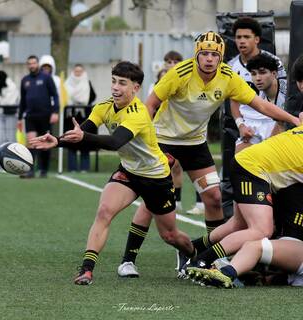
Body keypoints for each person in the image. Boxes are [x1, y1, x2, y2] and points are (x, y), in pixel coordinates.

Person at [118, 31, 299, 278]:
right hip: (164, 140)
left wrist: (293, 121)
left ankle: (210, 255)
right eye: (204, 53)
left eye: (214, 54)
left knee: (213, 198)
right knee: (155, 201)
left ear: (221, 57)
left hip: (195, 143)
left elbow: (261, 105)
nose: (209, 59)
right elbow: (150, 105)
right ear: (197, 55)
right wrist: (145, 141)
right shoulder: (180, 73)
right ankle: (129, 259)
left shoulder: (227, 77)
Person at [29, 61, 196, 285]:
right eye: (114, 81)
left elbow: (115, 141)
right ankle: (87, 270)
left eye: (122, 83)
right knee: (104, 211)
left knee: (170, 235)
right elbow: (83, 133)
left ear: (136, 88)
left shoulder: (138, 113)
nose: (116, 87)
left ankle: (196, 255)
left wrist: (83, 138)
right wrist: (57, 141)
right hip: (128, 172)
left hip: (156, 177)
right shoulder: (104, 107)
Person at [187, 54, 303, 288]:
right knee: (261, 229)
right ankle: (202, 261)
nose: (258, 77)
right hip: (254, 167)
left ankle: (193, 248)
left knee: (239, 225)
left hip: (251, 162)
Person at [229, 17, 287, 153]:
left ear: (257, 39)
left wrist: (279, 124)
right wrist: (241, 125)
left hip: (273, 120)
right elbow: (234, 101)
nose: (242, 41)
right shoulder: (231, 67)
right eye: (238, 37)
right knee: (240, 165)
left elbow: (283, 95)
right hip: (249, 125)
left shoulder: (274, 62)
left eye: (246, 36)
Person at [17, 55, 59, 178]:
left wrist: (55, 112)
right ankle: (29, 170)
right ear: (27, 65)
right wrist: (19, 118)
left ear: (37, 64)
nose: (32, 65)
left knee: (44, 144)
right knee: (31, 142)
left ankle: (43, 169)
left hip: (45, 116)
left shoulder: (46, 77)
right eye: (29, 63)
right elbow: (23, 100)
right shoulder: (25, 80)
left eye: (34, 63)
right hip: (30, 116)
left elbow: (55, 95)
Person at [65, 64, 97, 172]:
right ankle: (72, 167)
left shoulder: (87, 83)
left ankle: (85, 167)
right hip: (71, 117)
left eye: (80, 71)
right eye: (76, 71)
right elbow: (64, 96)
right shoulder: (67, 83)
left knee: (85, 141)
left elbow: (92, 96)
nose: (78, 73)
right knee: (71, 141)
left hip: (84, 117)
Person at [0, 70, 19, 170]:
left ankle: (13, 165)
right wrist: (1, 100)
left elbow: (9, 101)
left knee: (10, 140)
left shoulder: (11, 86)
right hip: (0, 114)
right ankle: (1, 166)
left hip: (11, 115)